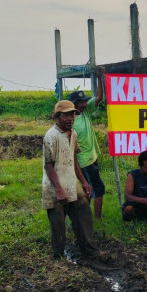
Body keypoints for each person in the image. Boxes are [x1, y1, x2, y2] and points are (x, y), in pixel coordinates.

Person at [42, 100, 101, 260]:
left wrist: (83, 181)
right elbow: (48, 166)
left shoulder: (73, 133)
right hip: (54, 187)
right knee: (58, 225)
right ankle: (58, 257)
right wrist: (59, 190)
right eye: (66, 115)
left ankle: (90, 251)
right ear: (57, 117)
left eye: (72, 114)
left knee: (83, 216)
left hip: (73, 183)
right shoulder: (51, 136)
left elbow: (73, 158)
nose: (70, 118)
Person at [69, 66, 106, 220]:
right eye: (80, 103)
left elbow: (98, 97)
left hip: (92, 158)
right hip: (83, 162)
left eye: (84, 102)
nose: (83, 104)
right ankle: (93, 219)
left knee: (90, 189)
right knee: (96, 188)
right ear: (73, 105)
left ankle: (84, 218)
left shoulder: (86, 112)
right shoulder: (71, 122)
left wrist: (100, 77)